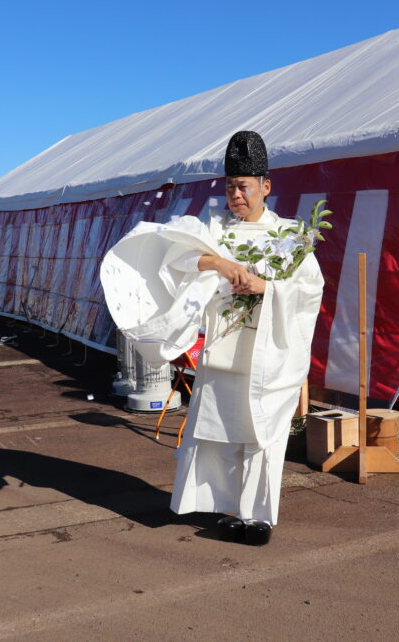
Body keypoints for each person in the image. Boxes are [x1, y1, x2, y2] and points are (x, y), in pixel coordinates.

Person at [100, 130, 324, 546]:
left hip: (269, 350)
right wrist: (218, 262)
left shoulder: (291, 237)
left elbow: (311, 292)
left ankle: (258, 516)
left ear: (265, 187)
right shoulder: (213, 228)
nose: (235, 195)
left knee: (262, 433)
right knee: (223, 429)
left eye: (243, 186)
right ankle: (228, 508)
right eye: (229, 187)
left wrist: (268, 289)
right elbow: (174, 254)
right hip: (223, 347)